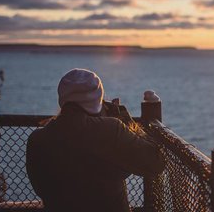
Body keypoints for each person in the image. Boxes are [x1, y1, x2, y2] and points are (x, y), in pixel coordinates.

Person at [26, 68, 165, 212]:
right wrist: (126, 122)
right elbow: (155, 163)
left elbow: (40, 189)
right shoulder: (110, 129)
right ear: (98, 100)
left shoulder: (37, 139)